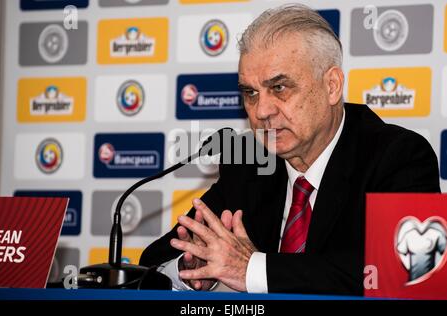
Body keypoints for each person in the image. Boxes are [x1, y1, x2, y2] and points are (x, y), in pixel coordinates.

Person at [139, 4, 440, 295]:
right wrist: (192, 272)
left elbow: (409, 274)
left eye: (279, 88)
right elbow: (152, 263)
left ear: (332, 85)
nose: (262, 111)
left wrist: (252, 269)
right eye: (251, 93)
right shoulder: (248, 162)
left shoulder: (399, 156)